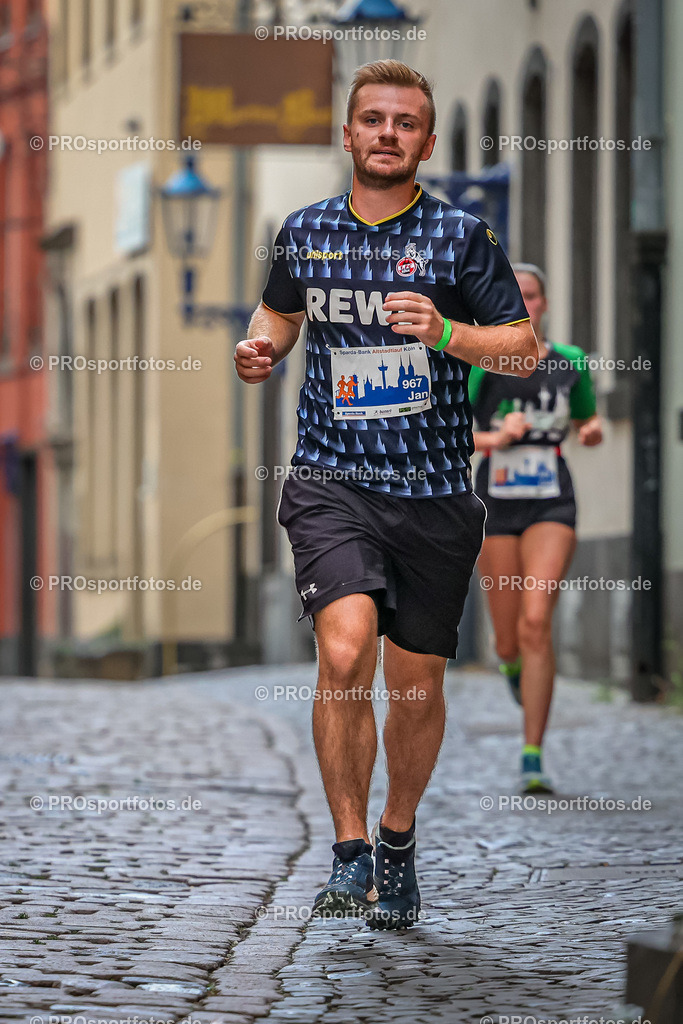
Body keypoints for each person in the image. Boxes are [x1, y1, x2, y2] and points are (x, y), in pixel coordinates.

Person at [235, 60, 538, 930]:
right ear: (348, 133)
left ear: (427, 143)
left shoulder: (461, 239)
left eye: (404, 123)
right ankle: (348, 850)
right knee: (343, 650)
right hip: (333, 482)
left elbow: (522, 348)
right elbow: (278, 317)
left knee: (413, 685)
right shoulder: (304, 233)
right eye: (372, 119)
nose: (386, 134)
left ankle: (397, 838)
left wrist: (445, 331)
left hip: (435, 493)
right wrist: (260, 349)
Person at [468, 263, 603, 794]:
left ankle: (532, 755)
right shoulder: (483, 366)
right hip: (497, 506)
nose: (525, 303)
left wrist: (591, 430)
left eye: (533, 295)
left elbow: (587, 418)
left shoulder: (570, 363)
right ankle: (511, 671)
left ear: (545, 304)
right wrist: (495, 438)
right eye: (515, 295)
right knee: (506, 641)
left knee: (535, 619)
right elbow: (455, 436)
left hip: (552, 501)